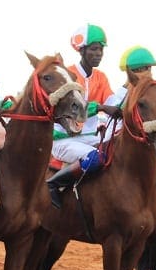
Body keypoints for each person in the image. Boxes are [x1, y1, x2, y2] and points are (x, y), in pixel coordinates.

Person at [46, 24, 119, 207]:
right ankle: (53, 184)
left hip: (89, 138)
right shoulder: (67, 75)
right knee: (96, 158)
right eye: (94, 49)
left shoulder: (101, 77)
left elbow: (113, 104)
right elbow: (73, 108)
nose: (99, 53)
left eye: (101, 49)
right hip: (63, 139)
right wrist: (101, 107)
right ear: (82, 50)